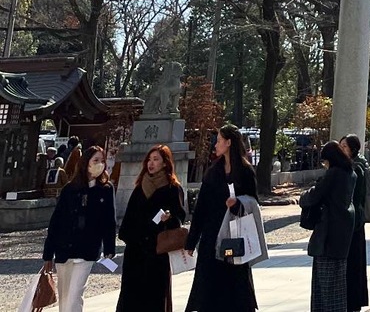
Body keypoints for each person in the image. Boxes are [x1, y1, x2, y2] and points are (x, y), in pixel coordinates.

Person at [185, 124, 258, 312]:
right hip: (212, 237)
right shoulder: (213, 172)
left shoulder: (245, 171)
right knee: (211, 289)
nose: (215, 145)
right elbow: (201, 208)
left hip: (235, 236)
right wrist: (191, 241)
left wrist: (238, 204)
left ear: (229, 143)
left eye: (218, 141)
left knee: (235, 287)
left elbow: (253, 203)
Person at [42, 144, 116, 312]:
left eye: (102, 161)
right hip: (65, 248)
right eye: (96, 160)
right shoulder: (70, 189)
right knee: (65, 295)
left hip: (87, 249)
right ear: (86, 162)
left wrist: (109, 248)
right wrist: (48, 253)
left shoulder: (105, 189)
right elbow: (56, 221)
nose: (100, 164)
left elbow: (109, 221)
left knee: (75, 294)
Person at [116, 143, 186, 312]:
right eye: (149, 159)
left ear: (165, 163)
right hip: (136, 250)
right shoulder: (140, 187)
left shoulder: (173, 188)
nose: (151, 163)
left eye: (156, 159)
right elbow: (128, 219)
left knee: (155, 298)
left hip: (157, 251)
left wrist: (168, 219)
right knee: (131, 298)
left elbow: (179, 218)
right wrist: (131, 238)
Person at [301, 140, 355, 312]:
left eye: (325, 161)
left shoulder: (333, 174)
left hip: (328, 235)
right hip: (342, 234)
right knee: (337, 285)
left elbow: (314, 195)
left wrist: (303, 196)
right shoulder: (350, 173)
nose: (324, 164)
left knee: (324, 287)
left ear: (330, 159)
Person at [338, 134, 370, 312]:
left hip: (354, 221)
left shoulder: (356, 168)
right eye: (341, 146)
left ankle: (353, 300)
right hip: (356, 219)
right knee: (354, 261)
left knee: (354, 262)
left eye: (345, 146)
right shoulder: (356, 165)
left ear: (353, 149)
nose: (342, 149)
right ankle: (353, 299)